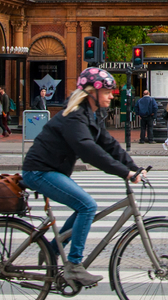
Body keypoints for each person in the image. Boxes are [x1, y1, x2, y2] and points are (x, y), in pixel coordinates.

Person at [22, 67, 145, 288]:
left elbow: (108, 144)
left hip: (52, 170)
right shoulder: (75, 116)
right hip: (39, 171)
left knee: (83, 207)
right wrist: (123, 172)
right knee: (87, 206)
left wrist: (134, 168)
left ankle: (51, 250)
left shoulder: (91, 115)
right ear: (91, 93)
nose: (111, 96)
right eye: (107, 92)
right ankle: (74, 265)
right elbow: (89, 150)